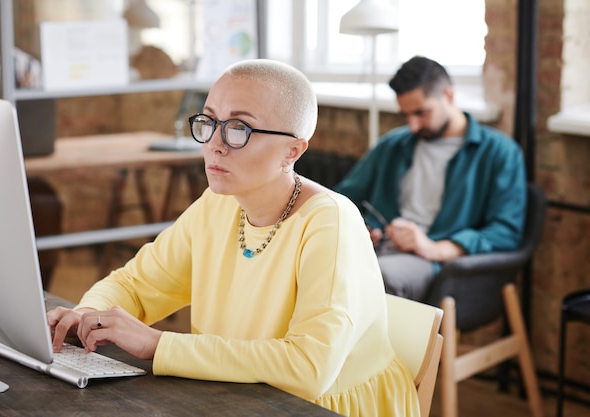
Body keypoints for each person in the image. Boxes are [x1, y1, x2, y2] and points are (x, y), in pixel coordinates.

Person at [48, 59, 419, 417]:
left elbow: (309, 369)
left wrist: (159, 344)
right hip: (237, 397)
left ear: (293, 150)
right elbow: (137, 284)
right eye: (208, 122)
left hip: (319, 408)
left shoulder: (330, 222)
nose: (215, 143)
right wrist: (85, 317)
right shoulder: (219, 204)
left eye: (239, 128)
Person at [335, 56, 527, 302]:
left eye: (421, 113)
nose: (413, 125)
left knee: (375, 278)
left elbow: (505, 231)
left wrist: (434, 248)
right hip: (377, 248)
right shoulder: (393, 145)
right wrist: (361, 226)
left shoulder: (499, 153)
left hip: (431, 263)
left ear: (448, 95)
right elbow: (341, 198)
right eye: (406, 115)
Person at [0, 0, 60, 289]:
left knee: (46, 204)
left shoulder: (25, 66)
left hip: (14, 168)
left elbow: (38, 127)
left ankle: (37, 291)